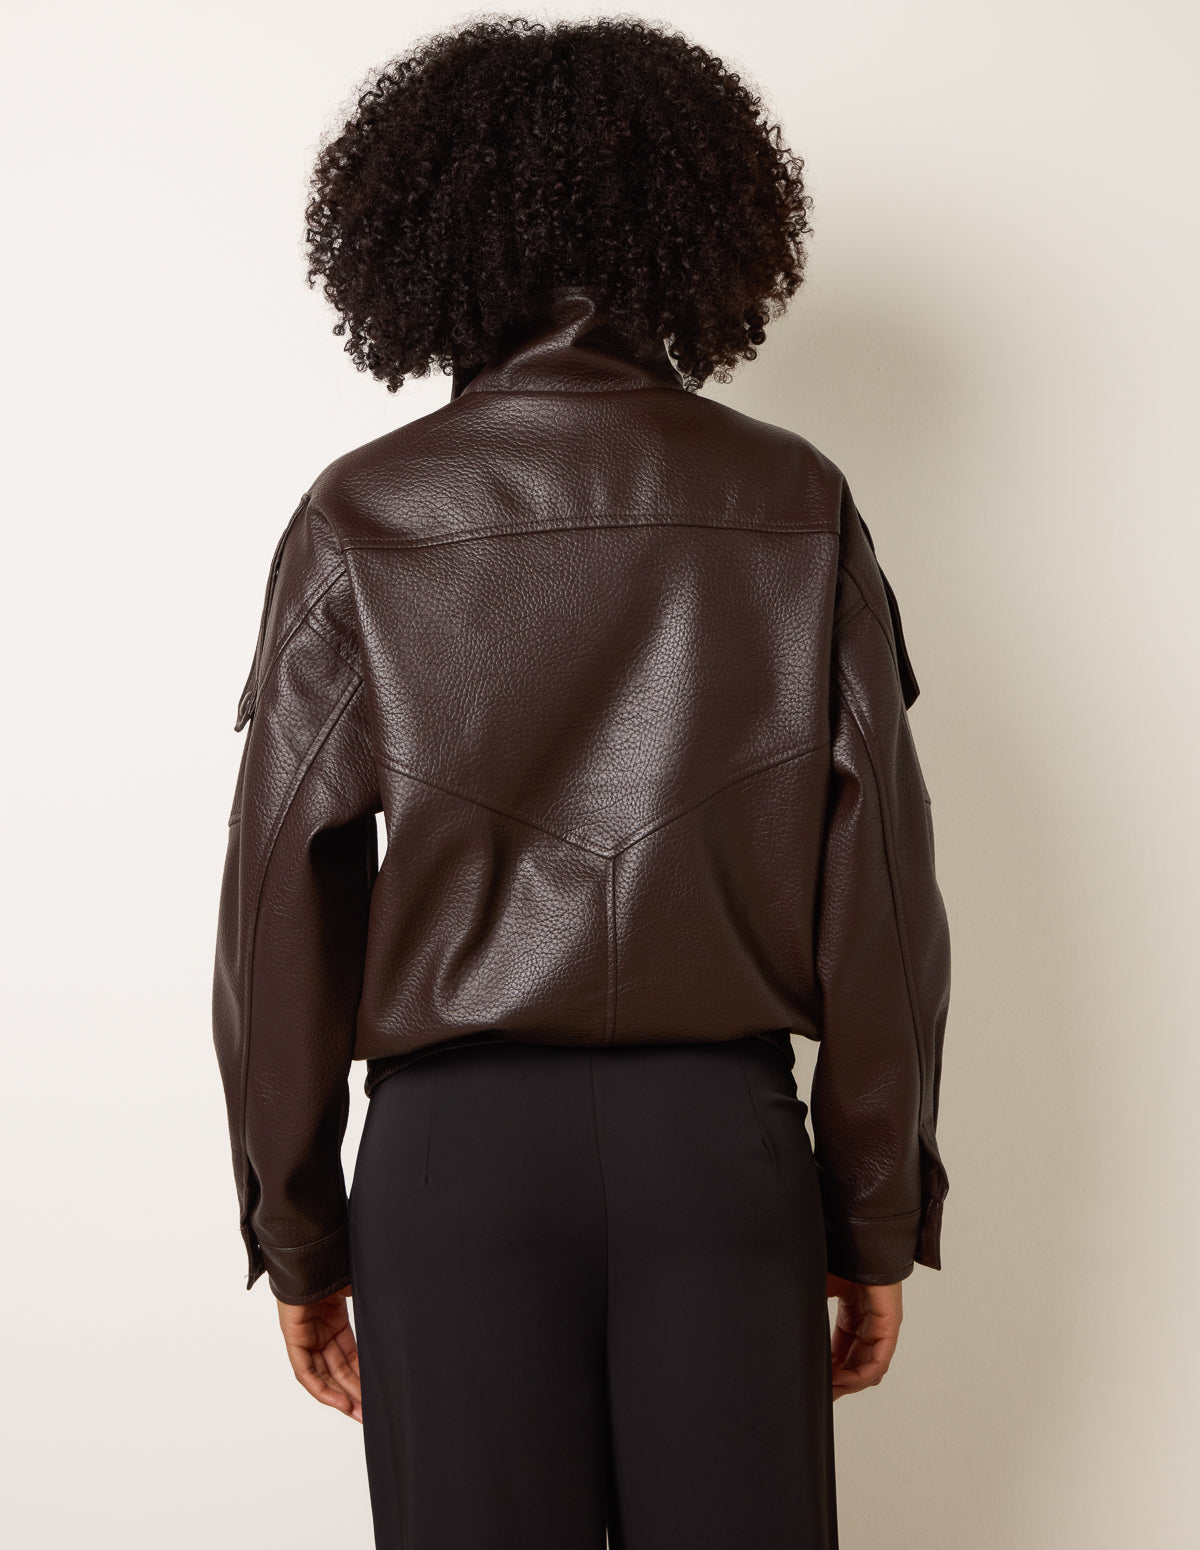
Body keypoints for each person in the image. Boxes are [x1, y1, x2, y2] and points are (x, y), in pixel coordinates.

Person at [211, 16, 952, 1550]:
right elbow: (882, 889)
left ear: (420, 236)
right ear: (700, 228)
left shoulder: (364, 514)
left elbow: (279, 898)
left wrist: (299, 1231)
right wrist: (873, 1208)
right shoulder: (793, 501)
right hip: (719, 1151)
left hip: (451, 1168)